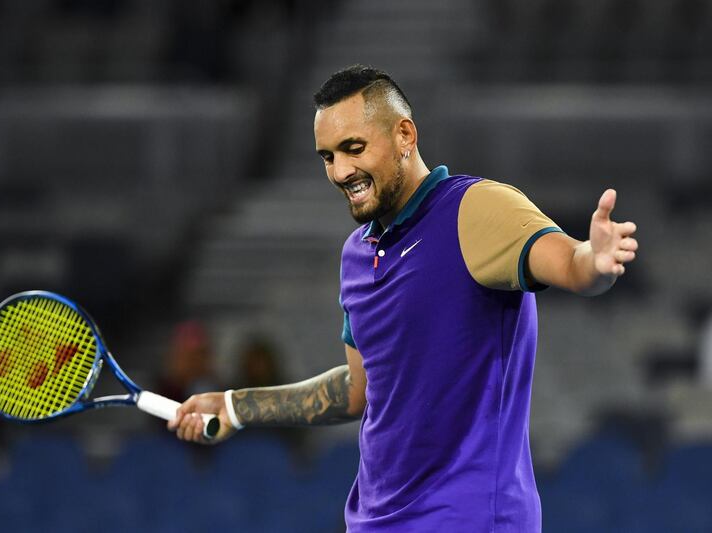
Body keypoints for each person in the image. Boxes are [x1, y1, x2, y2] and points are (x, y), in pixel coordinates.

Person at [168, 65, 639, 532]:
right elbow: (360, 389)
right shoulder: (355, 254)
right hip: (374, 521)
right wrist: (235, 405)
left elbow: (570, 265)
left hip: (471, 521)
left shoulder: (474, 209)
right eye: (327, 156)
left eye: (354, 149)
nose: (340, 171)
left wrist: (593, 261)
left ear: (404, 135)